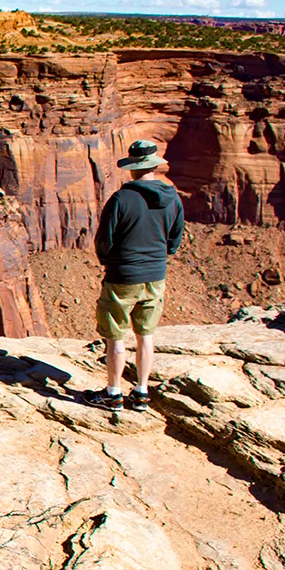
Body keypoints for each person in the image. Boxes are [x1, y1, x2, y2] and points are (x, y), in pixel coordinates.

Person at [84, 139, 185, 411]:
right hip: (155, 275)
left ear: (132, 168)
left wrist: (110, 262)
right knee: (146, 334)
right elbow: (174, 242)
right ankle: (141, 393)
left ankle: (113, 393)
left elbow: (104, 241)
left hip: (123, 276)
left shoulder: (121, 198)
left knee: (115, 335)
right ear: (154, 166)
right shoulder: (173, 197)